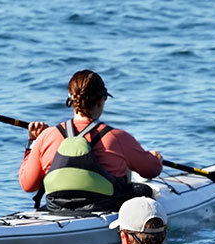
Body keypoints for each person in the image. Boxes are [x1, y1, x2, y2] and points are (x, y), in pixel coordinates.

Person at [19, 70, 163, 212]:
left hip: (56, 209)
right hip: (104, 208)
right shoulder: (117, 137)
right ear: (100, 101)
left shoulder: (46, 136)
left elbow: (28, 185)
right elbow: (151, 170)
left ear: (72, 101)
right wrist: (156, 158)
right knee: (142, 189)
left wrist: (33, 142)